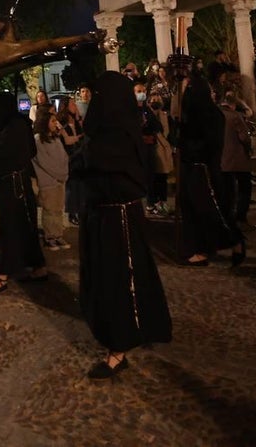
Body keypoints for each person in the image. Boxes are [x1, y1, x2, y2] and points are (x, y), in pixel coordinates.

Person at [77, 72, 172, 379]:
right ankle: (135, 328)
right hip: (109, 216)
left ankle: (120, 345)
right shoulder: (117, 130)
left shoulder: (116, 135)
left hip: (116, 218)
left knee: (120, 280)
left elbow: (102, 171)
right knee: (116, 279)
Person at [0, 92, 47, 293]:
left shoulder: (13, 127)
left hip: (11, 185)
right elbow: (31, 151)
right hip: (21, 183)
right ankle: (38, 267)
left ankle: (3, 275)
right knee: (27, 226)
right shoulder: (21, 124)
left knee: (10, 229)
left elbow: (1, 154)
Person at [177, 75, 245, 266]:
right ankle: (200, 249)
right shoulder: (200, 114)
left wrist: (184, 142)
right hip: (198, 168)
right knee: (198, 211)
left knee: (209, 211)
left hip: (201, 169)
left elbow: (204, 144)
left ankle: (233, 241)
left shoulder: (207, 116)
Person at [32, 107, 70, 250]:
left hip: (60, 180)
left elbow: (64, 156)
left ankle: (58, 235)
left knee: (58, 209)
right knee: (49, 210)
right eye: (53, 121)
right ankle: (50, 237)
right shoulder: (37, 140)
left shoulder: (55, 138)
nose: (56, 123)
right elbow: (44, 162)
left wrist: (64, 173)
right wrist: (60, 174)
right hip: (48, 181)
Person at [219, 94, 254, 230]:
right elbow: (244, 137)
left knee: (227, 191)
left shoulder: (215, 116)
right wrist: (249, 148)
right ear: (233, 105)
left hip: (222, 159)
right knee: (244, 188)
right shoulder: (234, 116)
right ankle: (241, 218)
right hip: (238, 158)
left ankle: (227, 219)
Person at [56, 98, 86, 225]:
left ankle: (79, 210)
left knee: (79, 184)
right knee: (72, 186)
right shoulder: (61, 121)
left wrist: (79, 118)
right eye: (73, 104)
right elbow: (66, 140)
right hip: (70, 157)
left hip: (79, 155)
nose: (75, 105)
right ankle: (72, 213)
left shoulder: (76, 120)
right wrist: (78, 138)